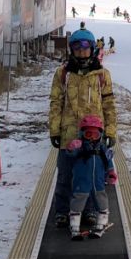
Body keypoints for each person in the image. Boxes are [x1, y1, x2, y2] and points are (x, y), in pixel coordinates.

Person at [49, 30, 117, 228]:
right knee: (65, 175)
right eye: (77, 48)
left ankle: (89, 211)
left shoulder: (102, 75)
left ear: (92, 49)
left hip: (93, 135)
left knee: (90, 175)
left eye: (85, 47)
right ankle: (62, 211)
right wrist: (54, 130)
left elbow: (109, 105)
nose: (81, 52)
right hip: (69, 134)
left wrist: (111, 132)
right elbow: (56, 102)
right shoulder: (63, 74)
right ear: (72, 50)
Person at [65, 115, 117, 239]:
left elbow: (108, 162)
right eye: (88, 134)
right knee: (78, 200)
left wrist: (111, 173)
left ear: (100, 135)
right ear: (82, 134)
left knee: (101, 200)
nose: (92, 138)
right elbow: (70, 155)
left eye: (95, 135)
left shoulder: (103, 149)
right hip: (81, 180)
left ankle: (101, 224)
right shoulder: (80, 147)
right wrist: (72, 148)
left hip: (98, 181)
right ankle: (74, 227)